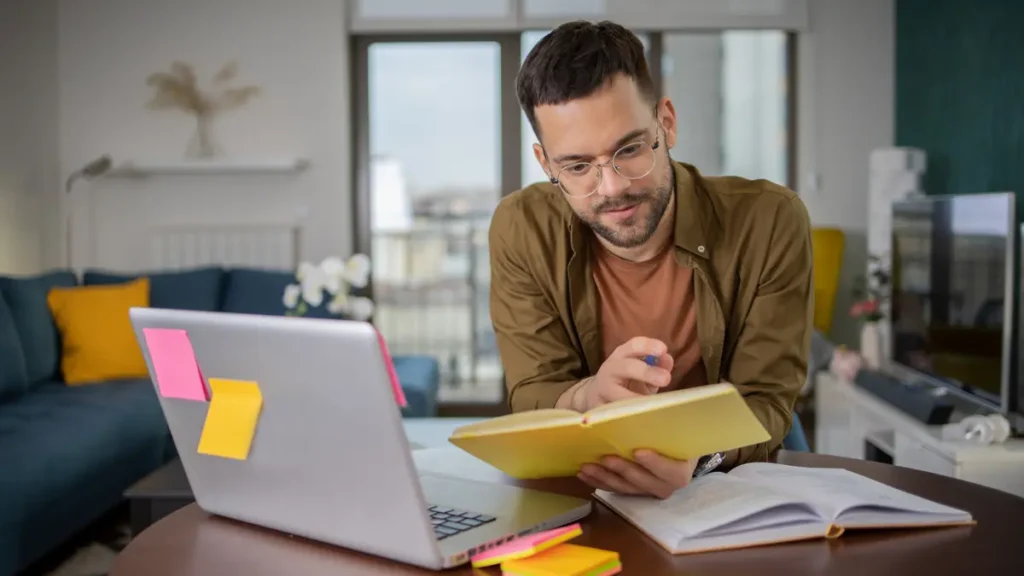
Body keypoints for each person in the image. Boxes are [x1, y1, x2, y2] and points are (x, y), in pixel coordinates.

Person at [487, 20, 814, 500]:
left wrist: (697, 459)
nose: (613, 186)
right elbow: (533, 390)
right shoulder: (521, 227)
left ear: (667, 123)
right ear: (545, 163)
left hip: (726, 482)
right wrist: (591, 395)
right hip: (591, 488)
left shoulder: (770, 220)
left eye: (630, 149)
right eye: (577, 167)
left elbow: (764, 399)